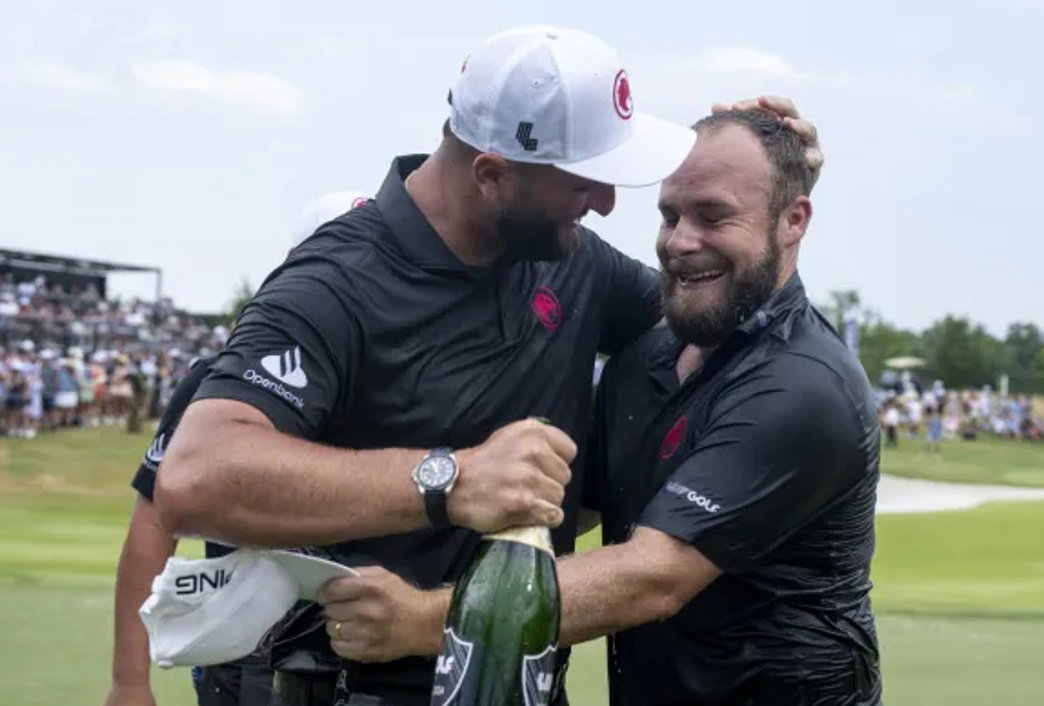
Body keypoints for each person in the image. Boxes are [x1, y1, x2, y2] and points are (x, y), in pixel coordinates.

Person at [319, 109, 879, 706]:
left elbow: (653, 576)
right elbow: (570, 507)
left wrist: (424, 620)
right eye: (670, 215)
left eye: (714, 215)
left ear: (793, 220)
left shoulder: (804, 386)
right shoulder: (649, 358)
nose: (680, 242)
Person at [103, 191, 372, 706]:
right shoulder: (219, 384)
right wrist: (129, 683)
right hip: (248, 660)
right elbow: (153, 531)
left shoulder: (426, 386)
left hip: (387, 657)